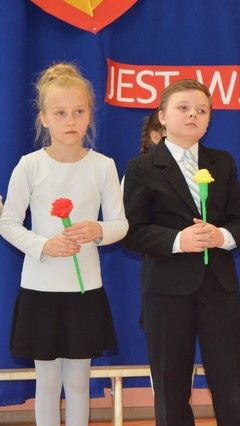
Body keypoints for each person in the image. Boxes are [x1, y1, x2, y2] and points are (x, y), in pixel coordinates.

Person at [0, 63, 128, 426]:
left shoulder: (103, 166)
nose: (70, 120)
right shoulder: (29, 166)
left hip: (85, 290)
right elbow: (8, 223)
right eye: (60, 113)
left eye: (79, 111)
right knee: (47, 381)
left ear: (89, 115)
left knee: (77, 380)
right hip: (40, 288)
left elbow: (120, 224)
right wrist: (44, 245)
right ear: (44, 118)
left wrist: (97, 229)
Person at [122, 79, 240, 425]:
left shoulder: (222, 162)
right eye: (183, 108)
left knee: (233, 381)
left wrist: (220, 235)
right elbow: (132, 232)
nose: (193, 115)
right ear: (162, 116)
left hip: (219, 287)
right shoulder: (141, 168)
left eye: (202, 110)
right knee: (171, 385)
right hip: (166, 290)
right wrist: (179, 240)